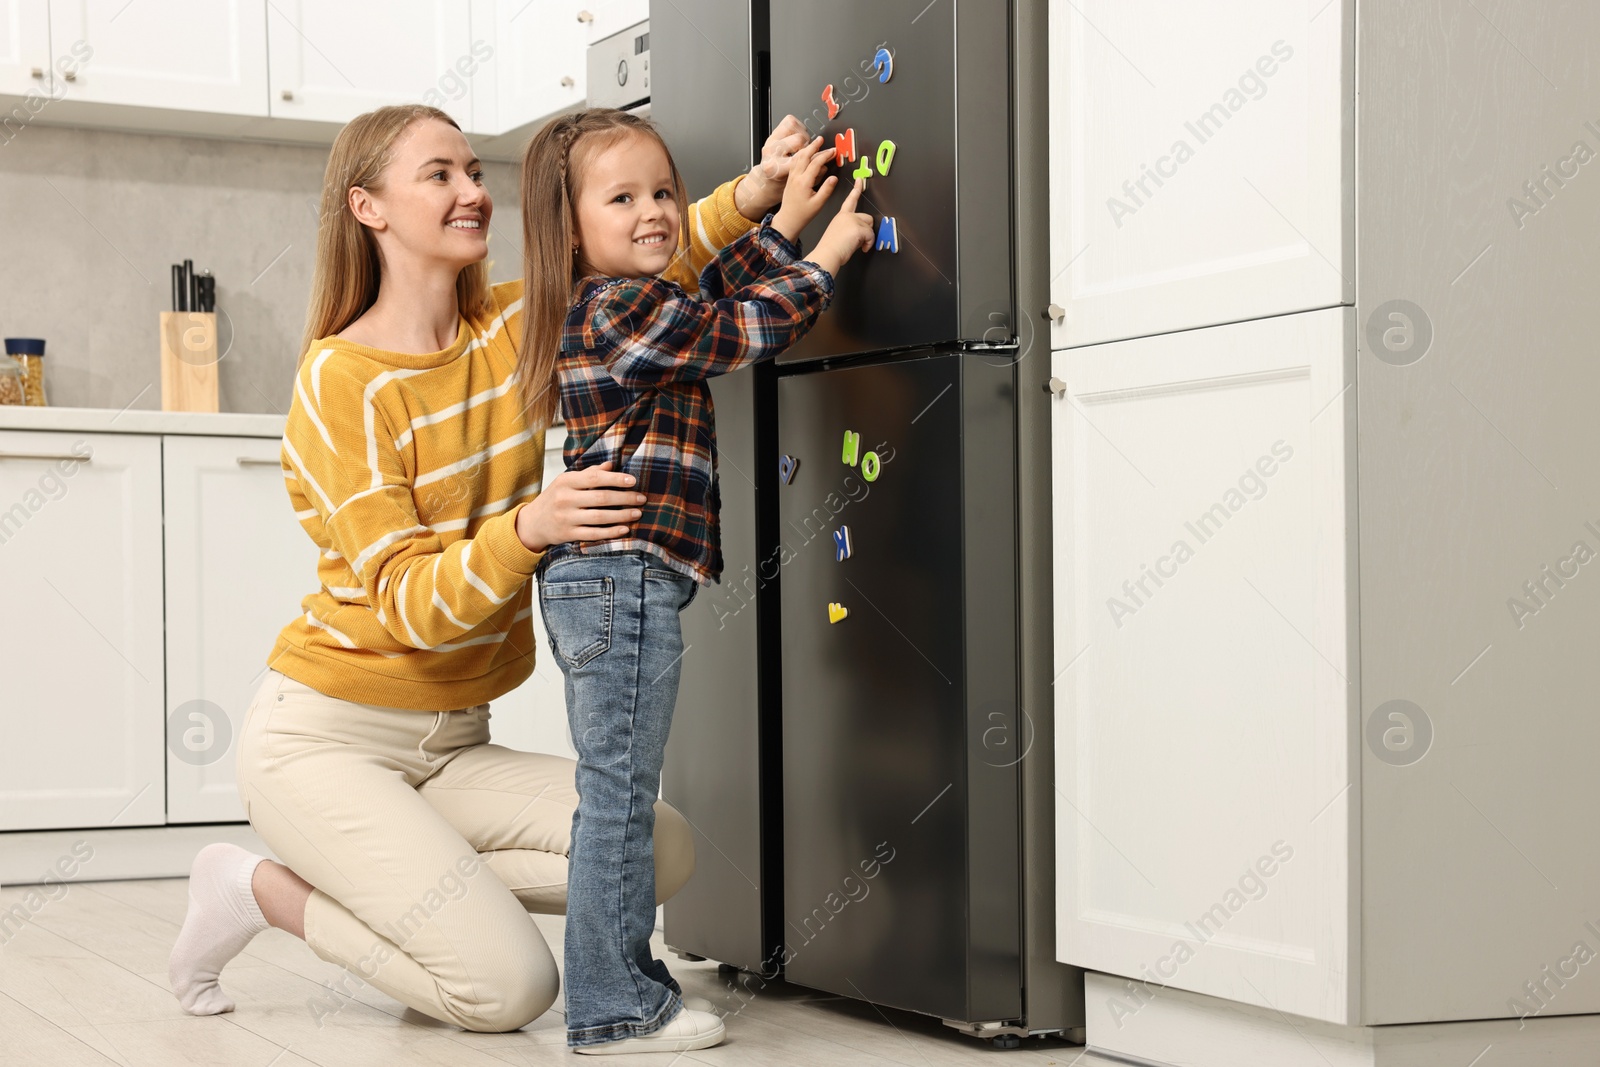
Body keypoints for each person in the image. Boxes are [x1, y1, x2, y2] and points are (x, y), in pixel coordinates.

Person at [166, 102, 810, 1034]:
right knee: (505, 990)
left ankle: (417, 886)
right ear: (368, 207)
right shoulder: (341, 382)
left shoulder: (511, 330)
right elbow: (410, 604)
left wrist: (754, 194)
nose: (473, 191)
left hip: (454, 742)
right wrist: (534, 525)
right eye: (440, 175)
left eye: (473, 170)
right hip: (329, 742)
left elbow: (641, 263)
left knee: (657, 846)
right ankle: (257, 888)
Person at [515, 108, 875, 1053]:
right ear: (570, 226)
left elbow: (708, 294)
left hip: (617, 582)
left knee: (618, 792)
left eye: (664, 192)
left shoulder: (634, 301)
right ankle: (610, 1004)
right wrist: (826, 255)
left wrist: (783, 227)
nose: (656, 212)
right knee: (621, 796)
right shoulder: (615, 305)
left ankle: (626, 982)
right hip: (619, 579)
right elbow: (736, 329)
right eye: (623, 197)